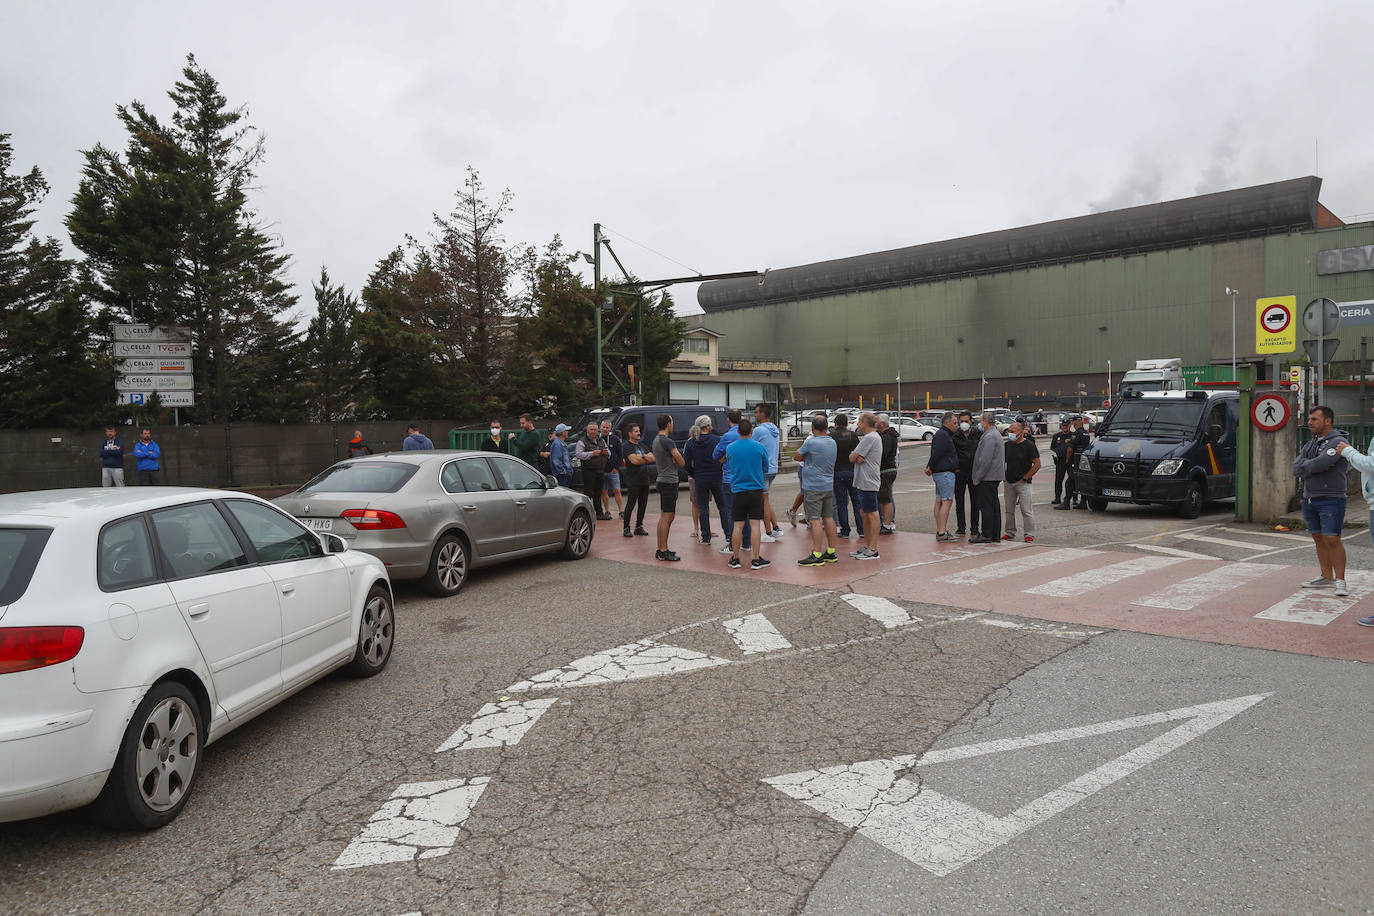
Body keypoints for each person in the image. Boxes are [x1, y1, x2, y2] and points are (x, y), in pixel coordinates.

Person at [1293, 405, 1349, 596]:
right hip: (1310, 498)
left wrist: (1310, 465)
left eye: (1314, 419)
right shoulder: (1311, 444)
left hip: (1331, 498)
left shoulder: (1338, 442)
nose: (1309, 423)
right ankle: (1326, 576)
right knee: (1318, 538)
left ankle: (1340, 581)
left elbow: (1321, 463)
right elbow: (1296, 467)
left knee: (1332, 538)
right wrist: (1312, 465)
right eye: (1309, 419)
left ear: (1327, 421)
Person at [724, 417, 771, 570]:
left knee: (738, 525)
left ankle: (736, 558)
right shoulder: (759, 447)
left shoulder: (730, 448)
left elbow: (729, 464)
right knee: (755, 524)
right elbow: (765, 468)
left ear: (738, 431)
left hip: (738, 490)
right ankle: (756, 559)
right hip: (756, 490)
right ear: (752, 431)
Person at [794, 413, 839, 565]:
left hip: (813, 485)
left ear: (813, 428)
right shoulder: (832, 441)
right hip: (828, 485)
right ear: (827, 427)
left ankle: (817, 553)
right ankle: (831, 551)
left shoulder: (812, 442)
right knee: (828, 518)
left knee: (814, 520)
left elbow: (797, 456)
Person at [713, 408, 752, 555]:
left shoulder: (727, 436)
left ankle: (732, 544)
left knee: (731, 513)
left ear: (728, 420)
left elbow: (715, 454)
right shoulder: (748, 436)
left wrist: (724, 457)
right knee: (747, 512)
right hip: (746, 477)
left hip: (729, 478)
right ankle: (747, 543)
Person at [683, 415, 725, 544]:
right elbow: (723, 456)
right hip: (716, 476)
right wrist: (720, 468)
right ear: (707, 426)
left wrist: (694, 474)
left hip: (700, 477)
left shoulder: (691, 442)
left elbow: (686, 462)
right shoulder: (717, 440)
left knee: (703, 508)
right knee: (722, 507)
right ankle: (728, 533)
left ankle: (706, 536)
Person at [849, 412, 883, 560]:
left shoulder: (870, 438)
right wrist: (857, 457)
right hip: (864, 481)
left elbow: (851, 457)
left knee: (872, 513)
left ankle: (873, 549)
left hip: (868, 481)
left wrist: (856, 456)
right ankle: (867, 545)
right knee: (865, 512)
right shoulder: (872, 437)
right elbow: (856, 457)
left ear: (864, 423)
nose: (857, 425)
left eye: (859, 422)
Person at [652, 414, 686, 561]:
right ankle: (664, 550)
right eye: (672, 422)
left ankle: (660, 548)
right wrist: (677, 459)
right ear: (668, 424)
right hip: (669, 481)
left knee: (663, 516)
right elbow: (681, 460)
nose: (673, 425)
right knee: (668, 516)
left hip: (661, 479)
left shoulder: (656, 439)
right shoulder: (667, 441)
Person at [968, 411, 1005, 543]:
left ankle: (987, 534)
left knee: (987, 506)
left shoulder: (990, 436)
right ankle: (994, 534)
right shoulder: (994, 434)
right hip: (993, 476)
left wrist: (977, 477)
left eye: (981, 421)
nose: (979, 424)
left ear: (986, 422)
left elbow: (985, 460)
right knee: (993, 505)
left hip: (988, 477)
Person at [1002, 421, 1041, 543]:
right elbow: (1001, 462)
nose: (1010, 434)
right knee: (1009, 510)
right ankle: (1009, 532)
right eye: (1009, 431)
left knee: (1026, 510)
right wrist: (1003, 475)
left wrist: (1026, 477)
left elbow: (1037, 464)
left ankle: (1029, 534)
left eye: (1012, 431)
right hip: (1009, 482)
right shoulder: (1007, 445)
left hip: (1023, 483)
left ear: (1021, 432)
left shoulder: (1029, 445)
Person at [925, 412, 959, 541]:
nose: (957, 425)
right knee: (947, 501)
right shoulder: (943, 435)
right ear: (947, 422)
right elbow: (936, 453)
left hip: (941, 472)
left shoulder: (943, 434)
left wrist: (931, 467)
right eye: (955, 423)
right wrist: (930, 467)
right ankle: (942, 531)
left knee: (940, 500)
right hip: (944, 472)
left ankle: (940, 529)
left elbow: (935, 453)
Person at [830, 413, 864, 539]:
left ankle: (845, 530)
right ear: (846, 423)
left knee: (841, 502)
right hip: (852, 470)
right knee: (857, 501)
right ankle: (861, 529)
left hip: (837, 471)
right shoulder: (853, 435)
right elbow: (858, 452)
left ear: (835, 423)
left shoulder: (831, 436)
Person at [753, 403, 783, 541]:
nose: (755, 415)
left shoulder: (758, 430)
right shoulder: (774, 429)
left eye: (756, 412)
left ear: (762, 414)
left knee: (763, 502)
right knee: (766, 500)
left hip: (762, 469)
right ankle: (776, 528)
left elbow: (751, 446)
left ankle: (768, 533)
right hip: (773, 468)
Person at [573, 423, 612, 519]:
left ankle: (599, 513)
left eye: (595, 429)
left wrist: (607, 453)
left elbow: (609, 453)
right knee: (588, 493)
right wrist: (592, 453)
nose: (593, 431)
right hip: (588, 470)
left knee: (598, 492)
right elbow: (578, 454)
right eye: (591, 430)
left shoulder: (601, 440)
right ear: (587, 431)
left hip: (600, 470)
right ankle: (585, 513)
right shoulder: (582, 442)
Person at [953, 409, 981, 537]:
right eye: (962, 421)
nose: (964, 423)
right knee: (959, 501)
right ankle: (961, 527)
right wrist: (956, 466)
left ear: (971, 421)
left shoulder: (977, 433)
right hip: (960, 472)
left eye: (966, 421)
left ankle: (975, 528)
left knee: (975, 501)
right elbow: (951, 453)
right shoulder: (955, 435)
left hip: (974, 472)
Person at [620, 423, 653, 537]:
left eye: (639, 431)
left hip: (644, 479)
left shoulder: (642, 445)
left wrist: (641, 458)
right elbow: (633, 461)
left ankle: (639, 526)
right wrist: (645, 457)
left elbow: (652, 457)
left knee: (643, 504)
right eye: (636, 431)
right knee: (631, 504)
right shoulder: (626, 446)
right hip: (633, 480)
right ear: (630, 433)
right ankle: (626, 528)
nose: (639, 433)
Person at [1054, 416, 1091, 510]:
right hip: (1083, 460)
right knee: (1081, 481)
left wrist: (1067, 459)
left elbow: (1070, 449)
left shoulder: (1076, 433)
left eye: (1073, 422)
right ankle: (1083, 502)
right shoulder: (1086, 433)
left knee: (1069, 482)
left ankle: (1066, 503)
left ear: (1075, 423)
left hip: (1075, 460)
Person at [876, 413, 901, 534]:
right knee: (884, 498)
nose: (875, 424)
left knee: (886, 499)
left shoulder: (886, 437)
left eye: (876, 422)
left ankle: (887, 524)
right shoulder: (890, 436)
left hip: (885, 470)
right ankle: (887, 522)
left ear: (882, 424)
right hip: (890, 469)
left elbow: (882, 454)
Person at [599, 419, 625, 520]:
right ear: (601, 428)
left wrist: (616, 468)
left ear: (610, 428)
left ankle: (621, 511)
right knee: (604, 492)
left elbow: (620, 454)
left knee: (617, 491)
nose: (605, 429)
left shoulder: (615, 439)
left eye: (607, 427)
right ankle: (607, 511)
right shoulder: (597, 439)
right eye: (604, 427)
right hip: (601, 471)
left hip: (613, 470)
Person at [1049, 419, 1072, 504]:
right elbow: (1053, 447)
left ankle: (1073, 499)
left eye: (1066, 425)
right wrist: (1059, 453)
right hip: (1060, 461)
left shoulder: (1073, 436)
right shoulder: (1057, 436)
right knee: (1058, 480)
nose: (1064, 427)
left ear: (1070, 425)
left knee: (1071, 479)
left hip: (1070, 461)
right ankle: (1057, 498)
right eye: (1063, 425)